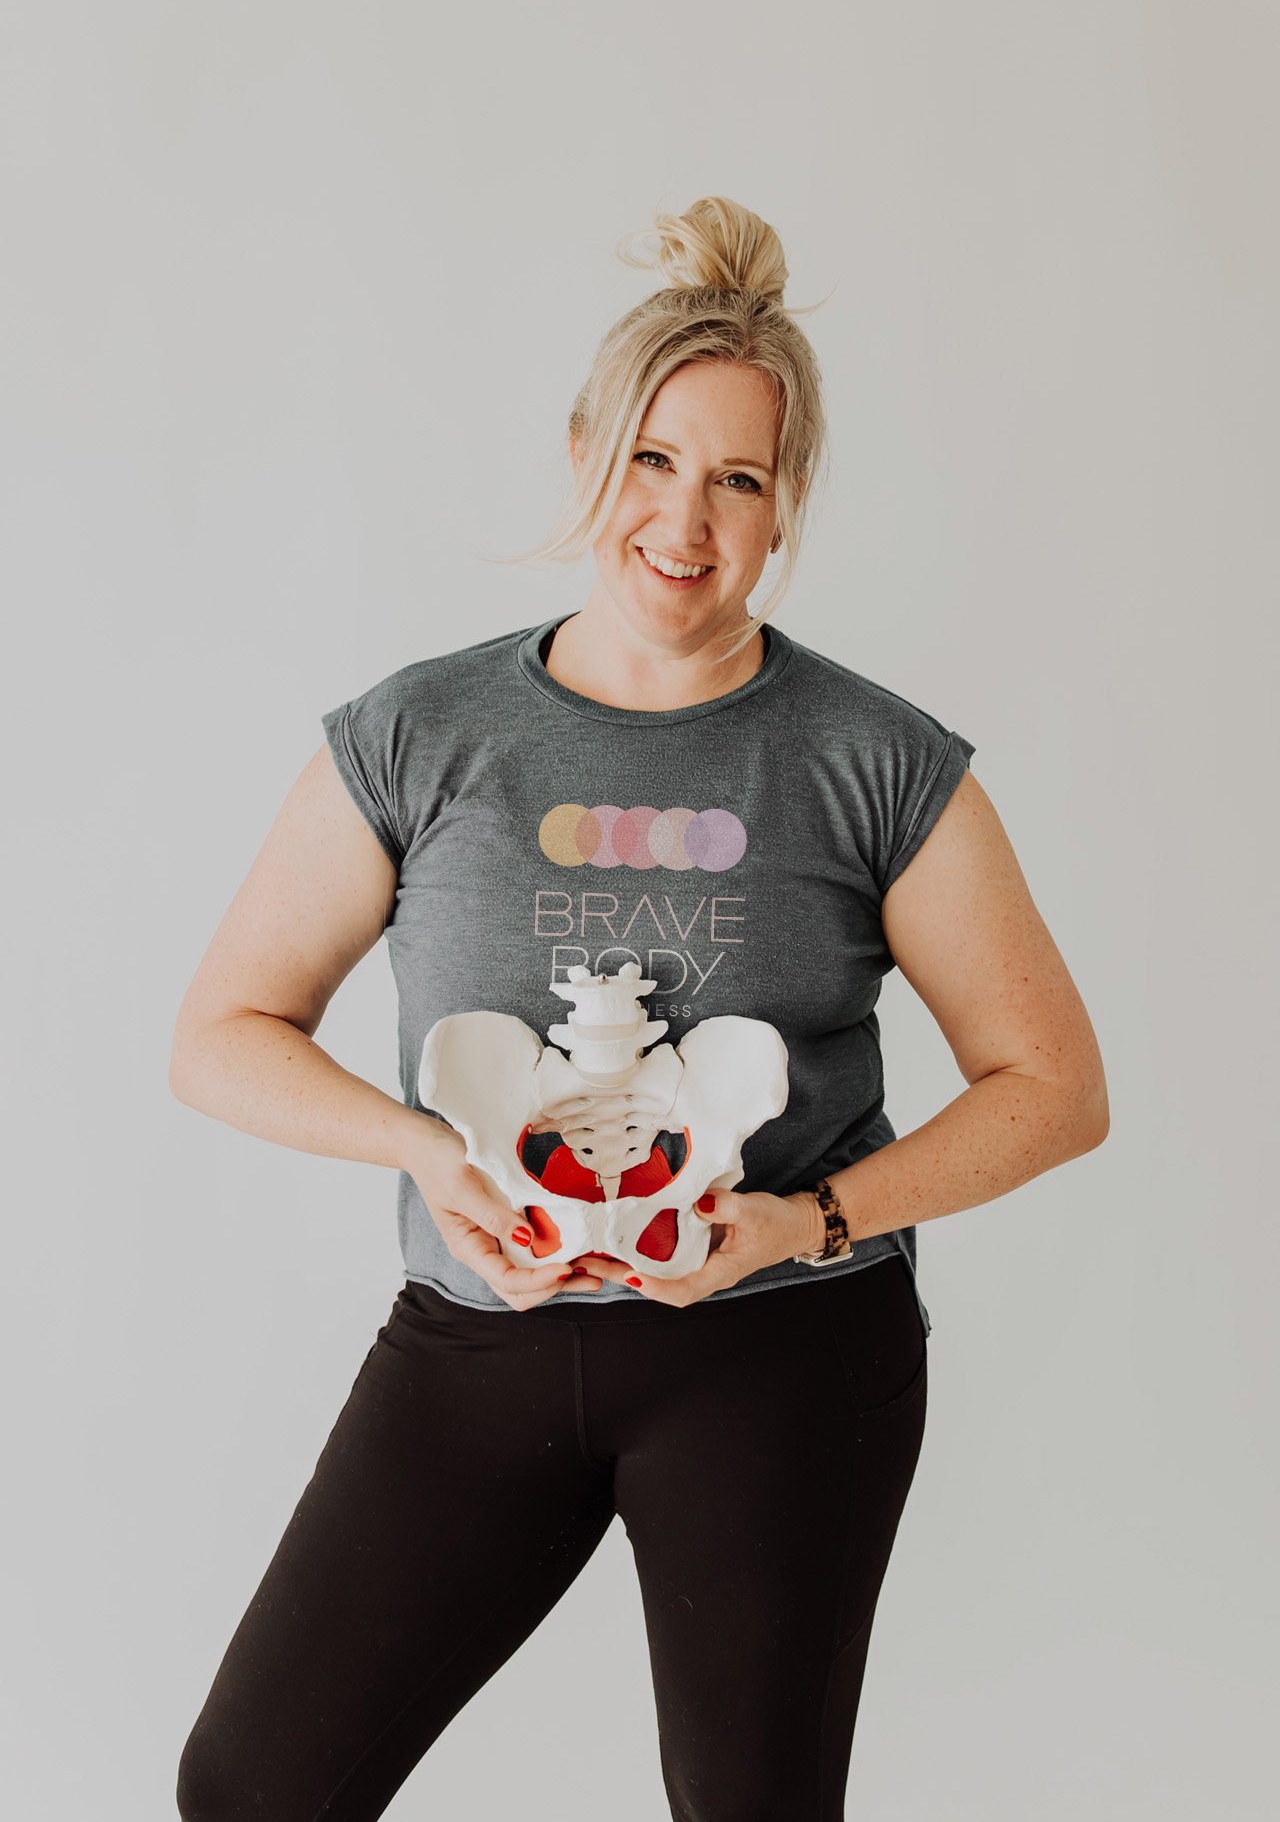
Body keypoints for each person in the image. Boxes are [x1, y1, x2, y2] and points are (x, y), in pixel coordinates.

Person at [171, 195, 1109, 1821]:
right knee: (254, 1790)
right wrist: (429, 1154)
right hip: (480, 1339)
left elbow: (1053, 1085)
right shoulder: (420, 735)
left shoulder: (875, 762)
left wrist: (807, 1221)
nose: (687, 517)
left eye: (739, 477)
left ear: (784, 505)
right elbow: (222, 1033)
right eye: (655, 459)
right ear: (585, 454)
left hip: (781, 1352)